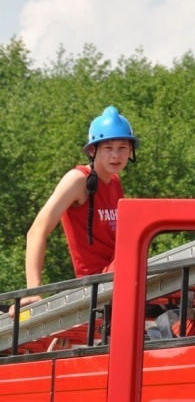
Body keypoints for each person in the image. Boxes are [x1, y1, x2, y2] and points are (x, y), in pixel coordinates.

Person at [22, 107, 139, 307]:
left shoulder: (115, 183)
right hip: (95, 284)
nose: (116, 155)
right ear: (93, 150)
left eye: (123, 148)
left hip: (118, 279)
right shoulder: (78, 180)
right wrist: (34, 290)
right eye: (108, 148)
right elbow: (37, 231)